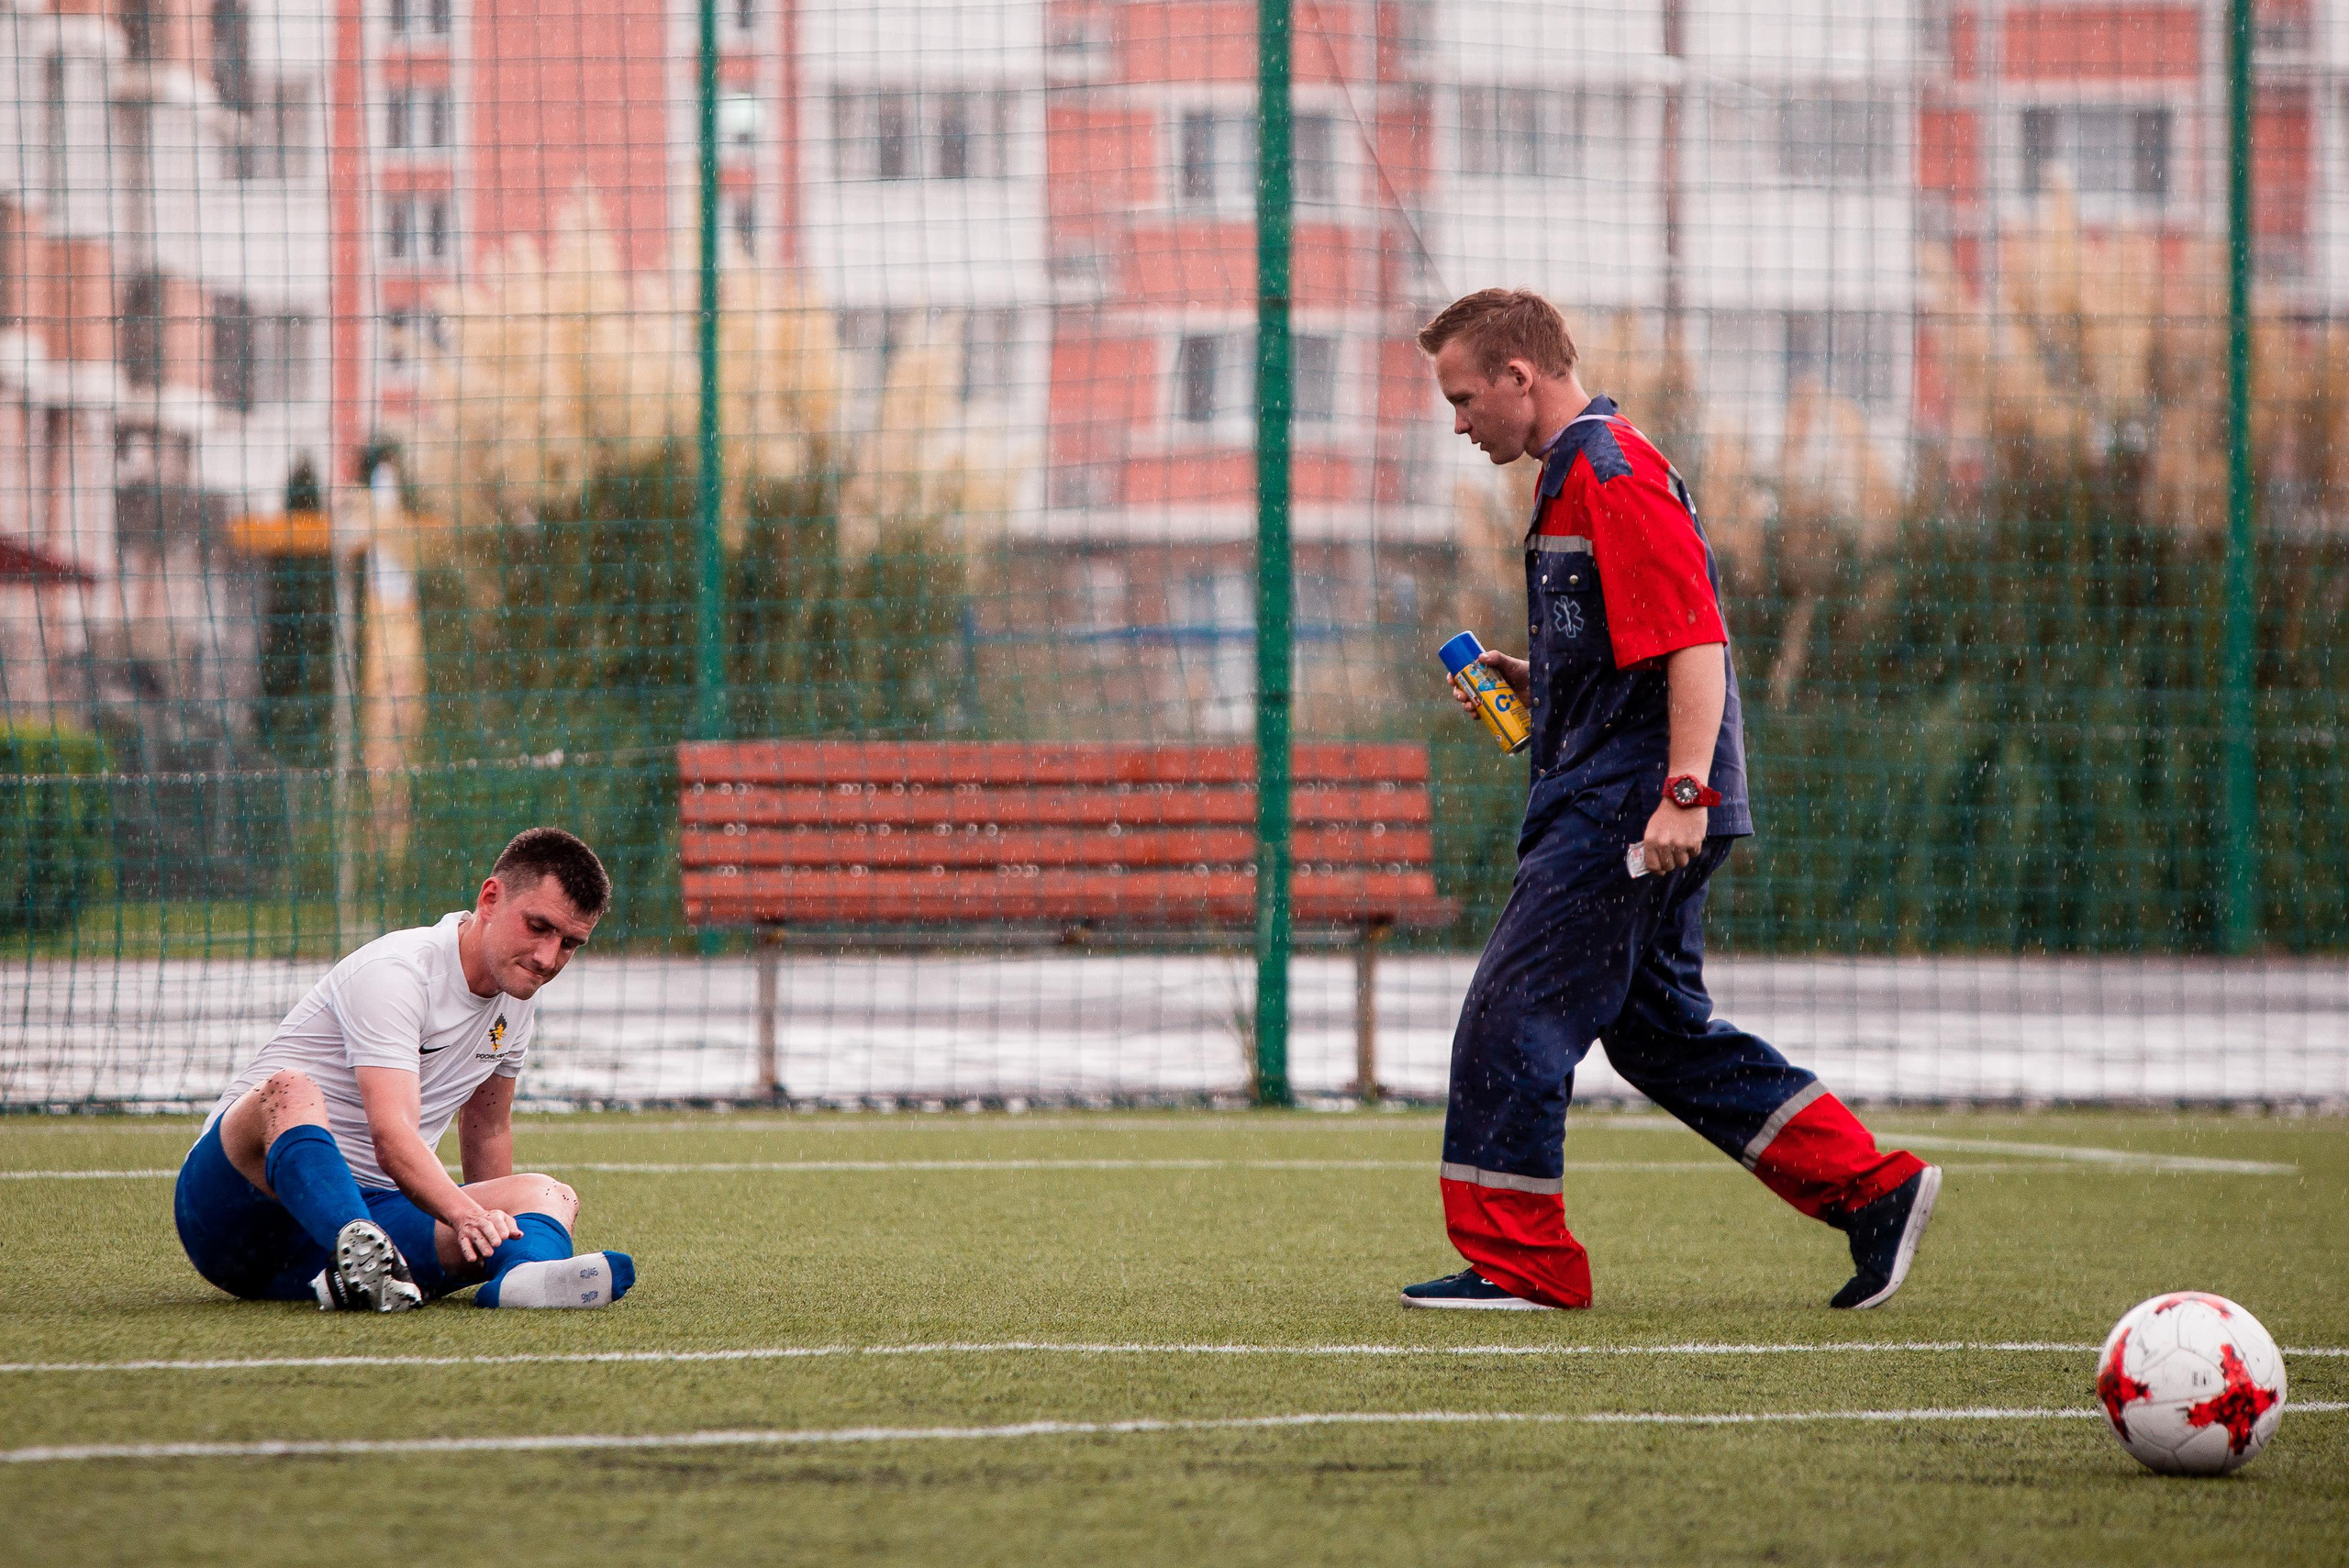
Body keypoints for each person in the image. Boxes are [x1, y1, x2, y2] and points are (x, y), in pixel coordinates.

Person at [1402, 290, 1939, 1312]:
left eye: (1465, 397)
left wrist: (1683, 793)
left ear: (1521, 376)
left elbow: (1695, 638)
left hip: (1629, 809)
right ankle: (1874, 1190)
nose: (1459, 421)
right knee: (1657, 1032)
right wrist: (1547, 675)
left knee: (1510, 1011)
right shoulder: (1574, 474)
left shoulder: (1608, 472)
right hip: (1623, 792)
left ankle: (1521, 1262)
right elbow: (1637, 637)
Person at [174, 828, 633, 1312]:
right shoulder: (398, 972)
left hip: (367, 1225)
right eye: (538, 927)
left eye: (569, 944)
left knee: (549, 1194)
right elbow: (391, 1135)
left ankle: (522, 1278)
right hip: (235, 1212)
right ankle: (359, 1257)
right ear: (491, 898)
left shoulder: (516, 1000)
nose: (547, 958)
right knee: (288, 1088)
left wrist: (493, 1236)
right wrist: (466, 1216)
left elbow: (488, 1128)